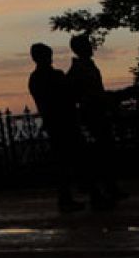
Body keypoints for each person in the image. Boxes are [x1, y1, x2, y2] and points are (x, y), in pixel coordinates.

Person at [27, 42, 95, 212]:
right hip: (66, 122)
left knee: (64, 164)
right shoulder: (54, 76)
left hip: (53, 124)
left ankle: (67, 198)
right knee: (82, 159)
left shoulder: (35, 79)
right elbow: (69, 93)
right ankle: (93, 195)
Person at [65, 35, 122, 203]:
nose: (90, 47)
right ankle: (107, 187)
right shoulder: (79, 69)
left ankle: (110, 187)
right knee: (103, 151)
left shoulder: (85, 66)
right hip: (93, 113)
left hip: (97, 111)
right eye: (87, 45)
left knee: (106, 150)